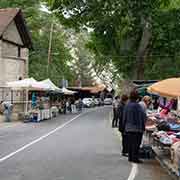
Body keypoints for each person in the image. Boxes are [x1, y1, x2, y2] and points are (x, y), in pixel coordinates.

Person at [123, 90, 147, 163]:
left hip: (128, 128)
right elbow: (142, 117)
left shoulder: (127, 105)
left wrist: (124, 127)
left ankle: (130, 157)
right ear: (137, 97)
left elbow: (124, 117)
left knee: (130, 143)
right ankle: (135, 158)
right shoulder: (137, 106)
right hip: (137, 128)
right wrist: (143, 126)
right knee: (136, 144)